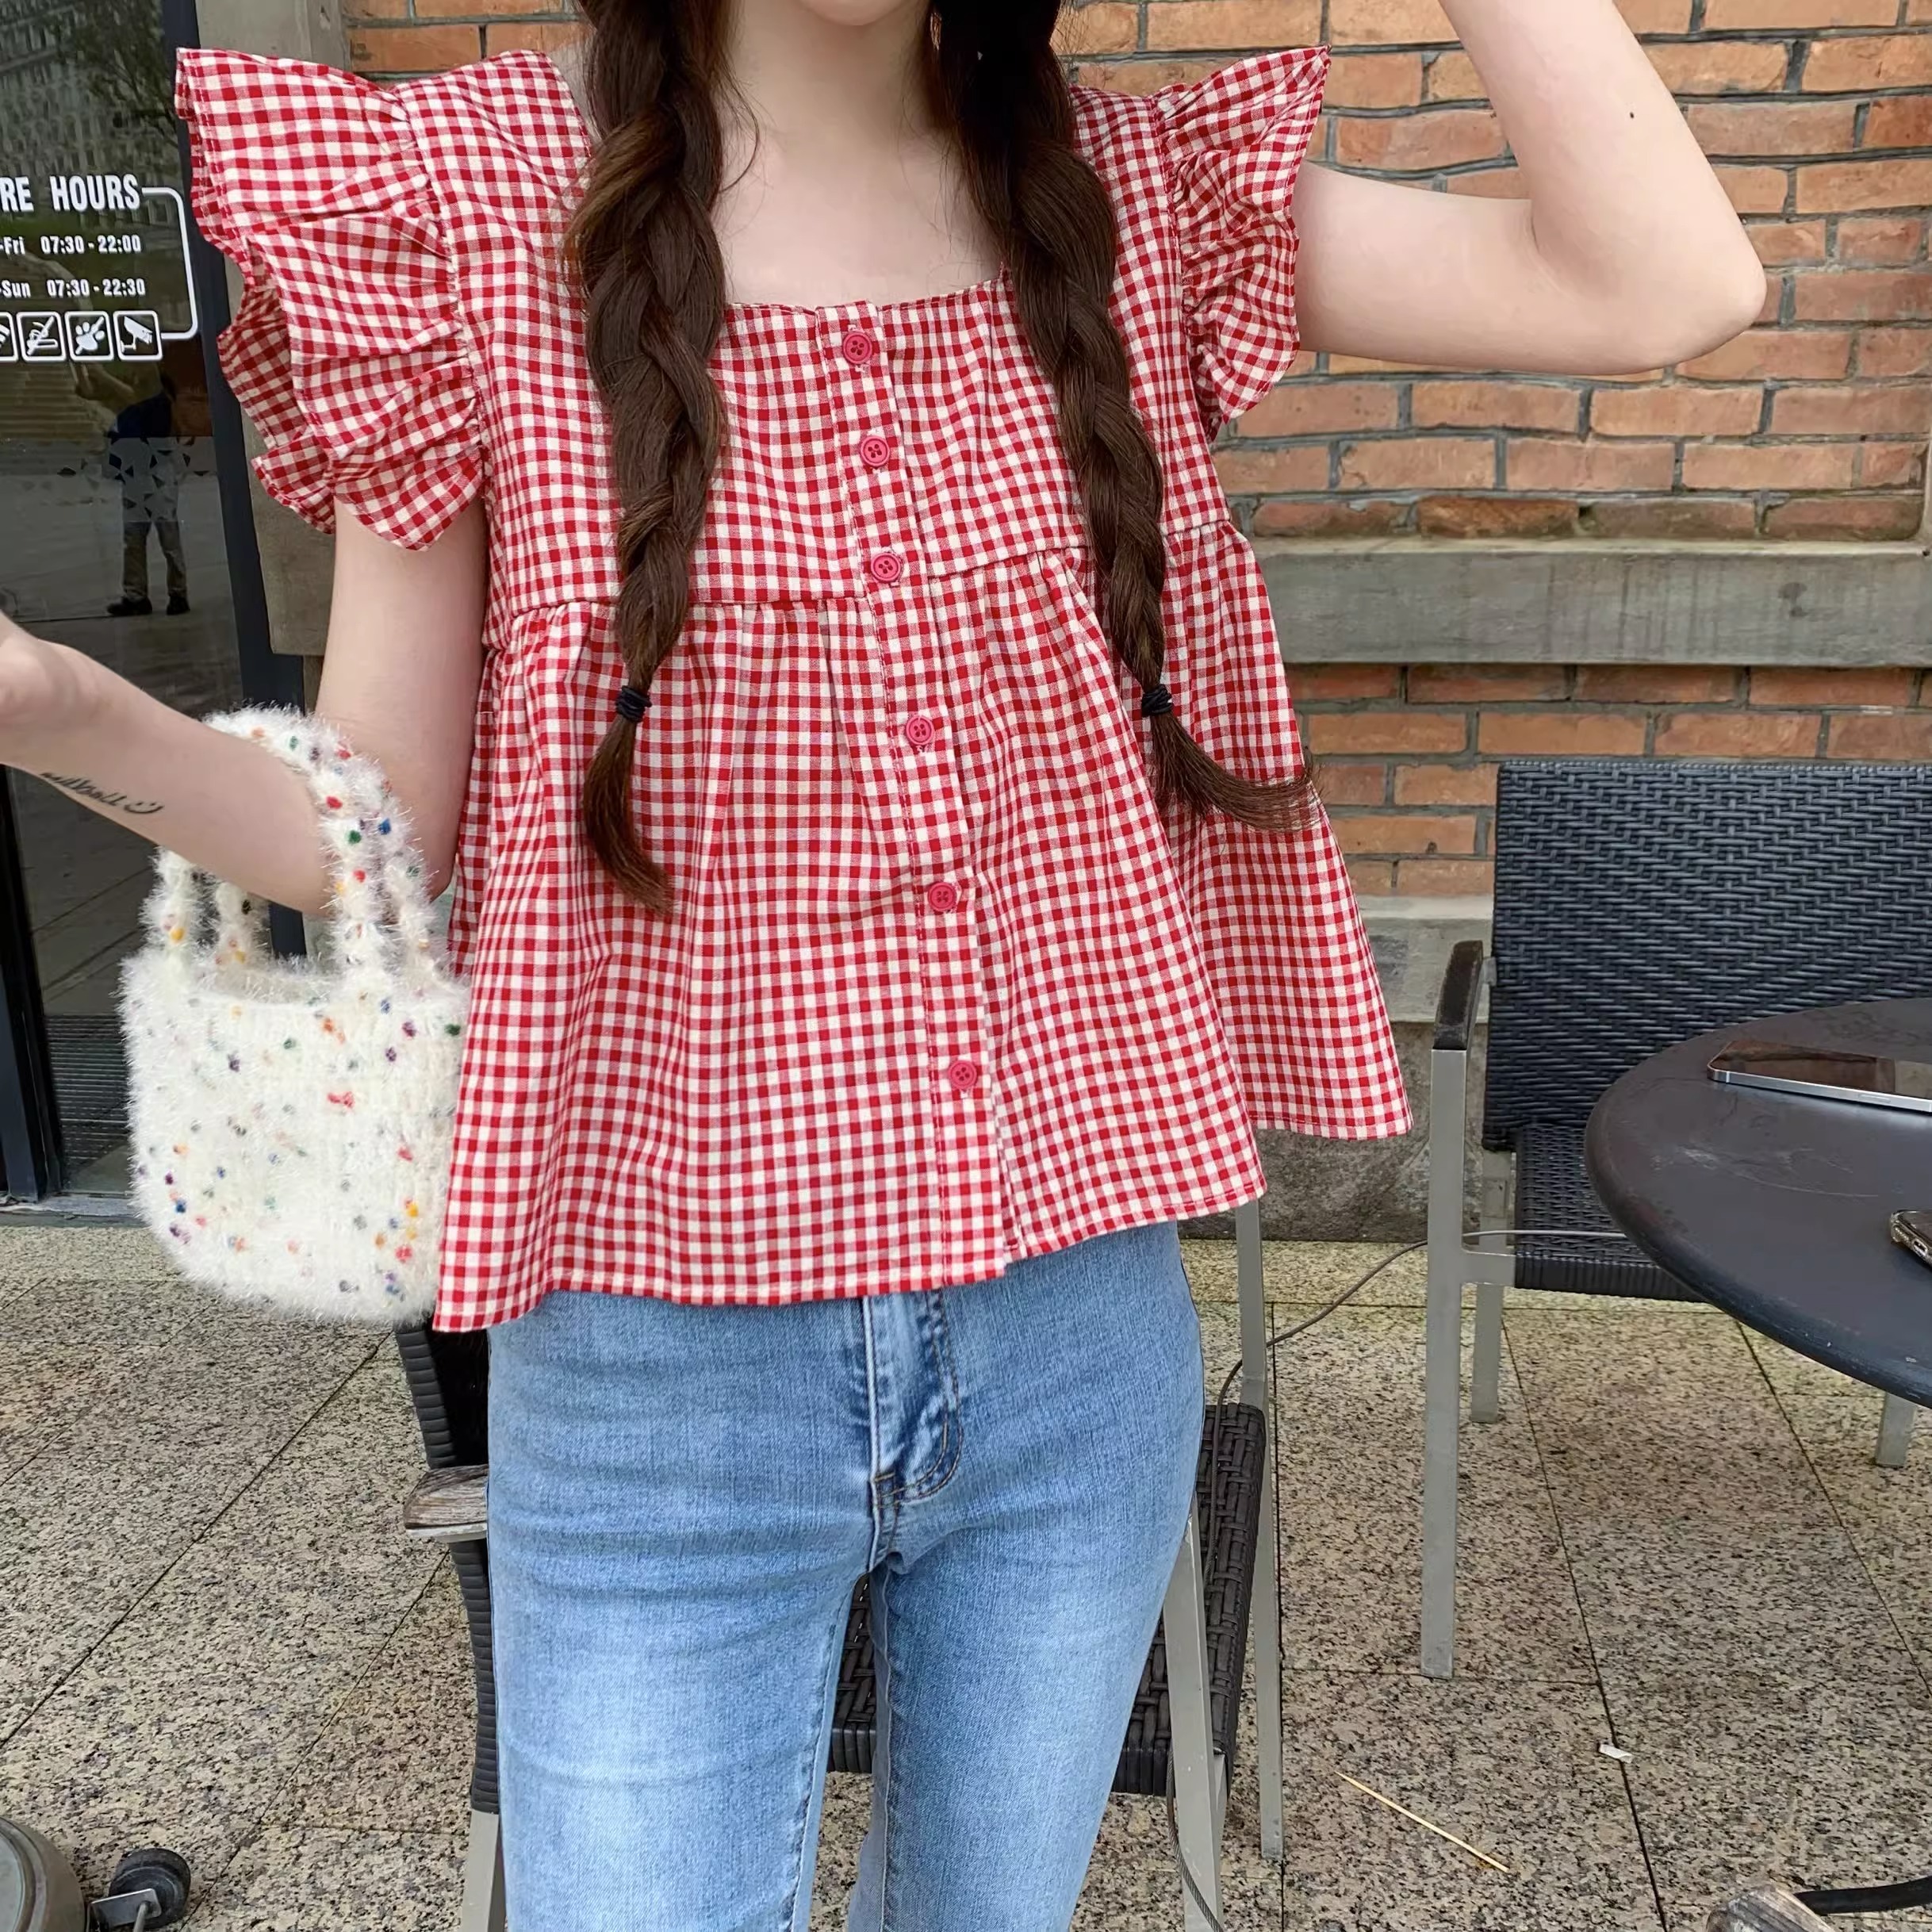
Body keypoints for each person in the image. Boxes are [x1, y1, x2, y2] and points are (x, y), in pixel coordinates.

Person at [0, 2, 1763, 1926]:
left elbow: (1663, 284)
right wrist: (66, 707)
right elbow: (375, 828)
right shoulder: (457, 208)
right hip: (654, 1353)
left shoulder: (1127, 196)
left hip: (1074, 1330)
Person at [105, 371, 190, 617]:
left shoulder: (156, 398)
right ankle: (136, 596)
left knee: (168, 536)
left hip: (156, 472)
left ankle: (178, 594)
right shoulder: (127, 406)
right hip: (135, 475)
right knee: (133, 539)